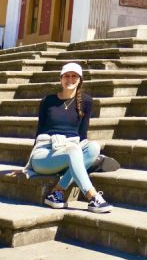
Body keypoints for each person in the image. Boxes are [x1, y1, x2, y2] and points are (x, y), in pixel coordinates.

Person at [23, 62, 119, 213]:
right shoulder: (48, 101)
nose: (70, 79)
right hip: (45, 154)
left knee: (93, 147)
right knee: (74, 150)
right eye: (66, 76)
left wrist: (79, 152)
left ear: (80, 80)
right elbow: (39, 131)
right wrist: (28, 164)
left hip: (70, 150)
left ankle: (57, 192)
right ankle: (92, 196)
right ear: (60, 79)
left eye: (74, 76)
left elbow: (82, 134)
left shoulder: (86, 101)